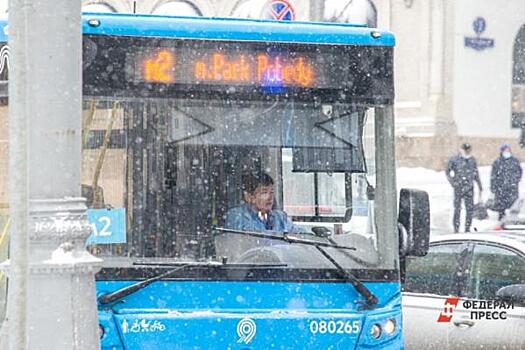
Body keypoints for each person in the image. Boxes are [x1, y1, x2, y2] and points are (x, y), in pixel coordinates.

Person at [225, 171, 305, 233]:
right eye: (264, 192)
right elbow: (252, 241)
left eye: (271, 192)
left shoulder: (280, 217)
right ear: (249, 197)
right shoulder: (238, 216)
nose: (270, 197)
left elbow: (299, 234)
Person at [445, 143, 483, 233]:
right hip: (458, 187)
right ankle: (456, 228)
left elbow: (475, 173)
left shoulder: (472, 160)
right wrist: (453, 182)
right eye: (465, 150)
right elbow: (447, 171)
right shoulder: (455, 159)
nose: (467, 151)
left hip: (469, 188)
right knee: (457, 209)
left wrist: (480, 185)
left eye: (468, 150)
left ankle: (467, 228)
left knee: (469, 209)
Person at [490, 143, 522, 220]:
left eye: (508, 150)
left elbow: (519, 171)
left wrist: (515, 180)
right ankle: (501, 219)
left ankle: (512, 220)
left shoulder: (514, 161)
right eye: (505, 150)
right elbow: (493, 175)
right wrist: (493, 187)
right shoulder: (497, 162)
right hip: (501, 188)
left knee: (513, 205)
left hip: (512, 188)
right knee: (501, 206)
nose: (507, 151)